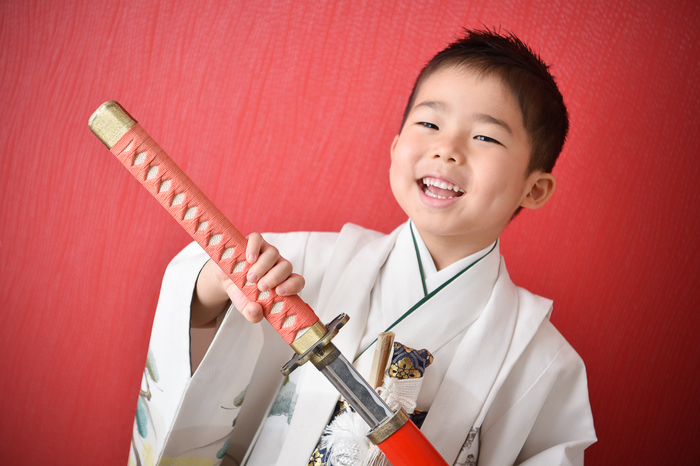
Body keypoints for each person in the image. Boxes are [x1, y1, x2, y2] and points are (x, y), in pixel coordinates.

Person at [128, 28, 596, 466]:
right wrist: (216, 289)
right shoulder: (303, 266)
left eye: (485, 136)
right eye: (430, 124)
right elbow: (201, 292)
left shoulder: (542, 361)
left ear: (534, 189)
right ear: (395, 148)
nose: (447, 149)